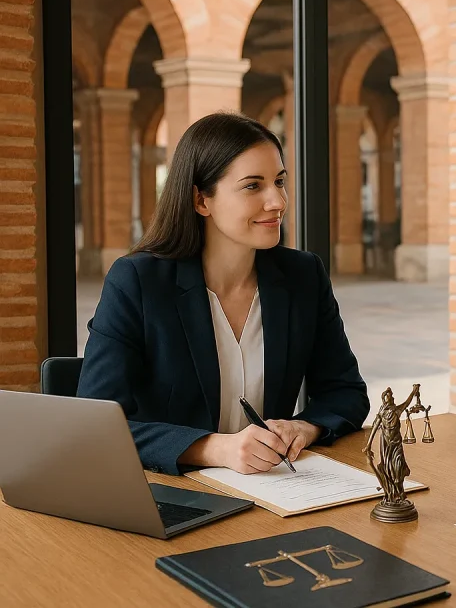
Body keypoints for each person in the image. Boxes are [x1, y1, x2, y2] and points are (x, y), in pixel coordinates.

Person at [77, 112, 370, 476]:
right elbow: (97, 422)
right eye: (253, 186)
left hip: (273, 492)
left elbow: (347, 392)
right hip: (172, 494)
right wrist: (215, 448)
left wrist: (303, 427)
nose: (277, 201)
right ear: (202, 201)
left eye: (279, 181)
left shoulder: (303, 276)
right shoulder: (137, 281)